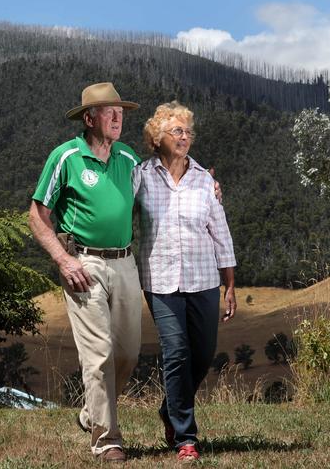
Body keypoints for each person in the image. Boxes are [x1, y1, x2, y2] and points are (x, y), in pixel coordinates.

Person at [28, 82, 143, 463]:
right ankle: (106, 439)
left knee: (128, 353)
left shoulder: (127, 157)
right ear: (89, 118)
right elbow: (37, 217)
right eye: (109, 112)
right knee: (99, 355)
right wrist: (63, 260)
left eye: (120, 111)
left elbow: (159, 192)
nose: (117, 117)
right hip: (84, 263)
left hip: (126, 262)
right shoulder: (66, 157)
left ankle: (92, 412)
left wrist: (206, 185)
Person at [133, 101, 237, 463]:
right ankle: (185, 436)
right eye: (177, 131)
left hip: (204, 278)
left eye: (188, 132)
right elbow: (117, 211)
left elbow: (220, 232)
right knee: (176, 351)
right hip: (159, 278)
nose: (185, 137)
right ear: (156, 136)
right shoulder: (140, 176)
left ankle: (169, 408)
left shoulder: (204, 180)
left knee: (203, 353)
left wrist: (230, 284)